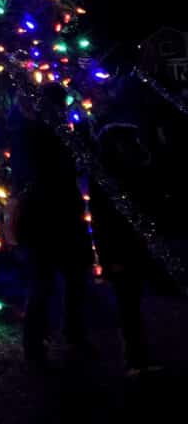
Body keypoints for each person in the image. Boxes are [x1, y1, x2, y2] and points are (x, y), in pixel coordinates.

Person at [7, 84, 93, 366]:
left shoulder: (56, 134)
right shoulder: (33, 135)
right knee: (45, 283)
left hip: (61, 216)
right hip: (44, 218)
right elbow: (32, 176)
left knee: (71, 279)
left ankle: (69, 335)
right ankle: (37, 346)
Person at [89, 123, 157, 375]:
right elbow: (102, 220)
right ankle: (135, 359)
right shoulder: (106, 177)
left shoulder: (134, 171)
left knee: (133, 302)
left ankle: (139, 357)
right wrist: (109, 257)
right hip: (120, 248)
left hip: (134, 247)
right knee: (128, 304)